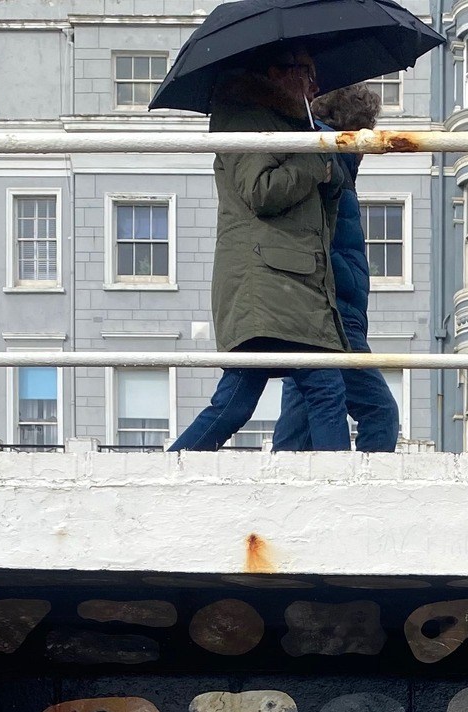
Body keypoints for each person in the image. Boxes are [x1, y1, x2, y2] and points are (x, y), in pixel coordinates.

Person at [170, 46, 352, 452]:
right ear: (277, 71)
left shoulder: (296, 124)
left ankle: (170, 467)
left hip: (295, 281)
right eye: (306, 70)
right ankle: (340, 488)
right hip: (268, 280)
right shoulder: (243, 118)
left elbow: (329, 193)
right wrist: (313, 163)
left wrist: (326, 160)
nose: (314, 84)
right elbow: (261, 190)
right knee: (321, 388)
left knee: (238, 399)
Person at [272, 85, 400, 453]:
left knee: (300, 422)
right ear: (353, 129)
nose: (371, 144)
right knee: (380, 412)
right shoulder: (330, 162)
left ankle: (282, 495)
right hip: (334, 315)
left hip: (321, 312)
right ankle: (358, 498)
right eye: (367, 131)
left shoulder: (329, 165)